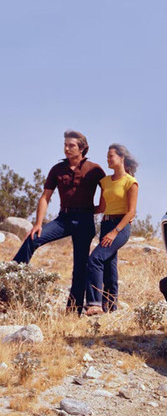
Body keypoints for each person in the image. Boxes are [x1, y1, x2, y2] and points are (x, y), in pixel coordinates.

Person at [12, 130, 105, 315]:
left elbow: (110, 189)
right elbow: (45, 197)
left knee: (80, 266)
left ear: (82, 148)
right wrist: (38, 223)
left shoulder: (94, 169)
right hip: (63, 219)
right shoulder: (57, 169)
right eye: (65, 145)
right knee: (32, 239)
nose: (67, 148)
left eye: (71, 145)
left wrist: (100, 208)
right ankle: (10, 280)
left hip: (85, 220)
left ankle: (73, 311)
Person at [84, 144, 138, 316]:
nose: (108, 159)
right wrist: (81, 210)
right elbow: (101, 207)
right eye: (107, 156)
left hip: (120, 227)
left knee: (95, 259)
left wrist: (115, 231)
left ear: (121, 158)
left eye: (111, 156)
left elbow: (131, 212)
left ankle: (95, 304)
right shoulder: (105, 181)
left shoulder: (131, 182)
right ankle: (111, 305)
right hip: (105, 224)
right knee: (109, 264)